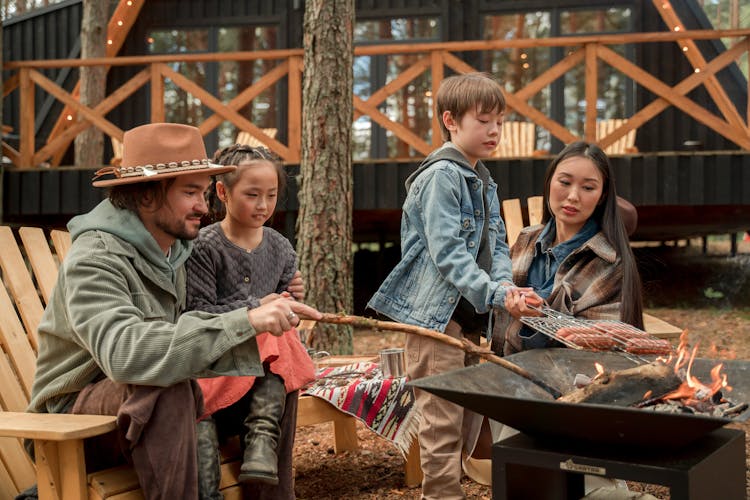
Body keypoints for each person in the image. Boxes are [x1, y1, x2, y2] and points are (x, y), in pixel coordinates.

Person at [24, 122, 321, 499]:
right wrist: (245, 319)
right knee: (165, 386)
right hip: (74, 423)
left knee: (279, 360)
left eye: (202, 191)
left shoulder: (176, 251)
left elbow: (197, 326)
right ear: (147, 197)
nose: (203, 205)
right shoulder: (96, 258)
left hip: (160, 404)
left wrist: (270, 311)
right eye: (191, 192)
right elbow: (126, 354)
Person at [367, 72, 541, 500]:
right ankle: (441, 496)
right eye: (484, 121)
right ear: (451, 120)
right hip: (435, 317)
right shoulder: (442, 177)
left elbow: (498, 244)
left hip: (467, 317)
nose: (495, 131)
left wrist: (506, 288)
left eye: (499, 121)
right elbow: (448, 254)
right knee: (441, 419)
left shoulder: (482, 179)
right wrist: (499, 294)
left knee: (464, 417)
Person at [186, 143, 311, 498]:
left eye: (271, 195)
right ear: (223, 192)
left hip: (262, 372)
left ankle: (261, 436)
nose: (263, 205)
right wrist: (259, 307)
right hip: (217, 364)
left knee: (280, 340)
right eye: (252, 194)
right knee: (271, 326)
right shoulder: (204, 247)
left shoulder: (281, 247)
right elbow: (198, 313)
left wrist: (291, 303)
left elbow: (290, 318)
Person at [495, 140, 644, 356]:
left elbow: (600, 350)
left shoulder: (609, 263)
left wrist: (540, 319)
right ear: (549, 183)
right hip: (508, 377)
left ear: (602, 196)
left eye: (588, 187)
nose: (573, 196)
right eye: (564, 182)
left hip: (574, 385)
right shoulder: (526, 240)